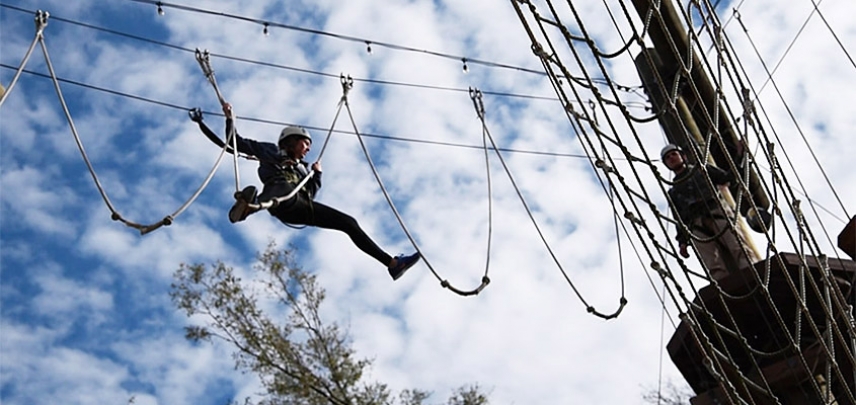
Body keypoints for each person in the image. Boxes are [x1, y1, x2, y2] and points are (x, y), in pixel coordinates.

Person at [198, 103, 420, 281]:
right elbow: (233, 143)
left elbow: (310, 195)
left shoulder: (303, 169)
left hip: (300, 207)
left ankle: (392, 264)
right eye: (305, 143)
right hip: (278, 195)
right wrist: (228, 119)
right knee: (281, 187)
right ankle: (250, 207)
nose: (308, 149)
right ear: (291, 141)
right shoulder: (269, 150)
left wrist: (317, 175)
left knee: (349, 223)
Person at [661, 143, 751, 281]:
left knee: (739, 248)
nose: (671, 158)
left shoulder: (702, 170)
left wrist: (739, 156)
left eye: (674, 154)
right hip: (696, 226)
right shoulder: (673, 192)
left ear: (683, 156)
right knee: (713, 265)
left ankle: (752, 274)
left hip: (717, 214)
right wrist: (682, 242)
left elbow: (728, 178)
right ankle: (726, 289)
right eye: (668, 157)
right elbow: (679, 218)